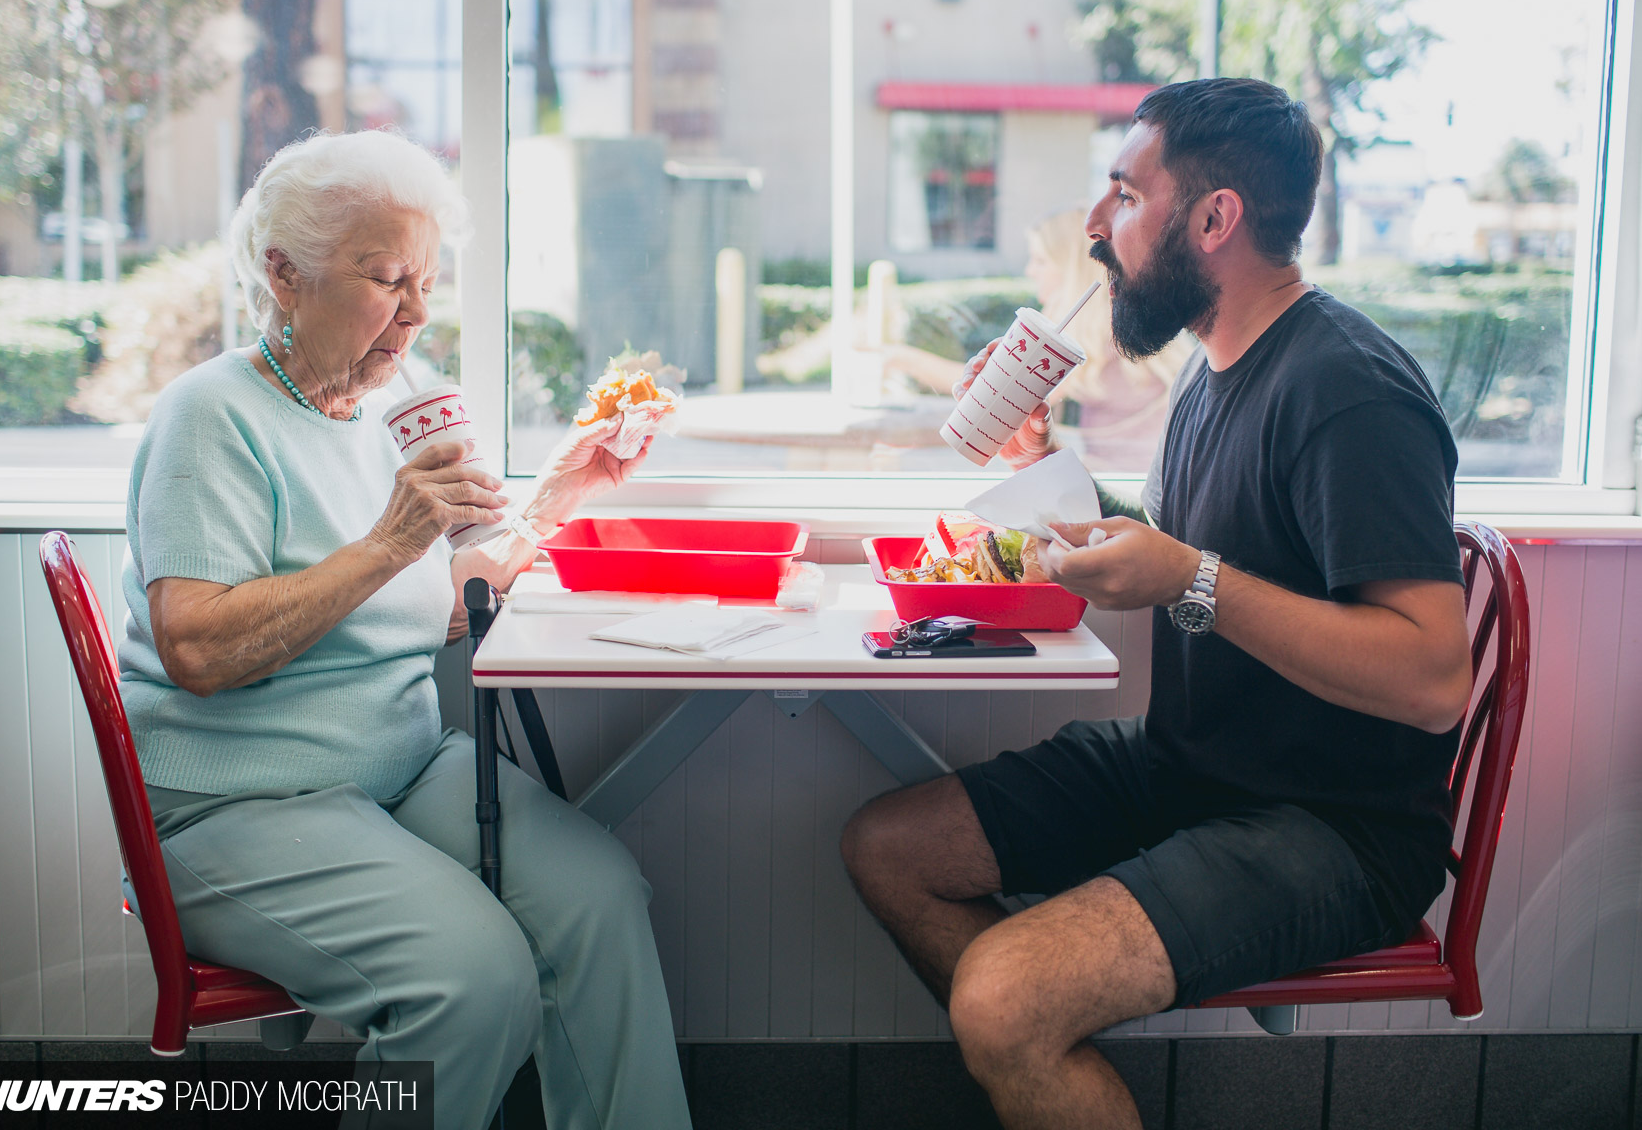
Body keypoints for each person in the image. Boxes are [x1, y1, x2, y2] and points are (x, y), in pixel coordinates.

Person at [841, 78, 1473, 1129]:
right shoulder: (1218, 367)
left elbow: (1432, 674)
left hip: (1334, 824)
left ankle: (1026, 1030)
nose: (1096, 224)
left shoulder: (1347, 388)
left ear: (1215, 218)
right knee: (889, 847)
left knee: (1002, 993)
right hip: (1195, 764)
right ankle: (1043, 1064)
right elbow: (1215, 540)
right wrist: (1056, 473)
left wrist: (1188, 580)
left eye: (1125, 193)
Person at [118, 129, 691, 1129]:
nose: (416, 312)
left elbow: (456, 572)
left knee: (601, 896)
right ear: (283, 275)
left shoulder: (405, 397)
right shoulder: (210, 417)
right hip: (235, 802)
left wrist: (560, 492)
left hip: (397, 765)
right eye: (385, 278)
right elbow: (197, 649)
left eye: (425, 280)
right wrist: (390, 540)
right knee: (473, 978)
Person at [882, 209, 1189, 472]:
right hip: (1119, 475)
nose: (1030, 271)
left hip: (1125, 483)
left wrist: (902, 359)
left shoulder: (1088, 333)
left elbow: (1003, 399)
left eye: (1040, 261)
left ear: (1072, 268)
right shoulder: (1109, 323)